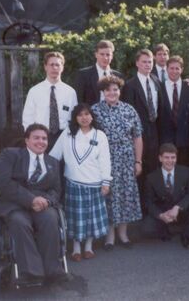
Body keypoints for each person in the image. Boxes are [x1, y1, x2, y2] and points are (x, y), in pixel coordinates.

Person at [0, 123, 66, 284]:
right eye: (36, 138)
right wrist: (30, 199)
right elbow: (3, 183)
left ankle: (53, 270)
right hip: (14, 202)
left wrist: (47, 201)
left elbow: (56, 190)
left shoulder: (53, 162)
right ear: (27, 140)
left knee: (51, 219)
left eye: (44, 138)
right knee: (20, 222)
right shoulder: (10, 155)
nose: (41, 142)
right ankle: (32, 272)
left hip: (42, 204)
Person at [50, 104, 111, 261]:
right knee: (75, 218)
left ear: (92, 117)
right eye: (80, 115)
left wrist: (106, 182)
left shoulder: (100, 135)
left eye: (87, 114)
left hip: (94, 183)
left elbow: (105, 161)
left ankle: (88, 246)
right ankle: (76, 249)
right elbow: (54, 156)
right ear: (75, 118)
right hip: (73, 183)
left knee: (90, 218)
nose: (84, 118)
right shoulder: (68, 134)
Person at [92, 75, 143, 250]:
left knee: (125, 196)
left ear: (119, 91)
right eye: (108, 90)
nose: (112, 92)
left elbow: (137, 137)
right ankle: (109, 236)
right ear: (103, 92)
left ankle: (123, 234)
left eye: (115, 89)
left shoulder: (129, 110)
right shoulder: (95, 111)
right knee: (108, 196)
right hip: (105, 159)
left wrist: (138, 161)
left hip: (127, 159)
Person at [142, 143, 189, 249]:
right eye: (166, 157)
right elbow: (148, 202)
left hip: (180, 209)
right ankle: (166, 229)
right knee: (146, 228)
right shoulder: (151, 177)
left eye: (173, 157)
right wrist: (160, 215)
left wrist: (178, 207)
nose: (170, 161)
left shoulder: (186, 172)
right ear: (160, 158)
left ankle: (187, 236)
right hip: (163, 211)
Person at [122, 49, 163, 193]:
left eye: (150, 62)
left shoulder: (157, 82)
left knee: (154, 171)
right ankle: (141, 209)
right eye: (144, 62)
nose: (147, 64)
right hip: (138, 135)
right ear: (137, 63)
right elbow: (128, 115)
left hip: (155, 134)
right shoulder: (130, 85)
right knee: (139, 172)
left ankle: (152, 204)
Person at [159, 55, 189, 189]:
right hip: (166, 139)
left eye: (177, 68)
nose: (174, 71)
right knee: (168, 175)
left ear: (182, 69)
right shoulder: (159, 87)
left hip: (187, 140)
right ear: (166, 69)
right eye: (171, 68)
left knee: (188, 173)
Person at [22, 52, 77, 151]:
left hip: (63, 136)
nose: (54, 68)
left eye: (57, 65)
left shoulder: (70, 92)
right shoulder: (35, 91)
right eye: (51, 65)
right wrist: (31, 138)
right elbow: (28, 117)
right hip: (41, 136)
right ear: (45, 67)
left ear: (62, 67)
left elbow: (74, 117)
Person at [74, 40, 123, 106]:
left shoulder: (118, 76)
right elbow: (79, 100)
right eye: (102, 54)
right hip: (91, 114)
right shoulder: (84, 74)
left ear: (112, 56)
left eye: (108, 55)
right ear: (96, 55)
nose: (105, 58)